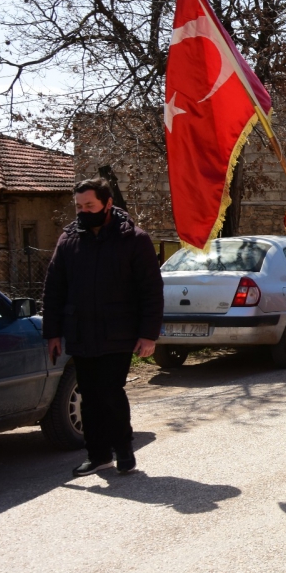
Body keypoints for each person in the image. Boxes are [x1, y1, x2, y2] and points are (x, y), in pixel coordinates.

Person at [42, 177, 163, 477]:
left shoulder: (134, 239)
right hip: (81, 331)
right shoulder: (68, 240)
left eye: (90, 205)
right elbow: (54, 288)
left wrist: (149, 334)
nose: (83, 211)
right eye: (79, 206)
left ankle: (124, 451)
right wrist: (52, 332)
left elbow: (151, 290)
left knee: (110, 391)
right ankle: (98, 456)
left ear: (108, 204)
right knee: (89, 395)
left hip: (119, 332)